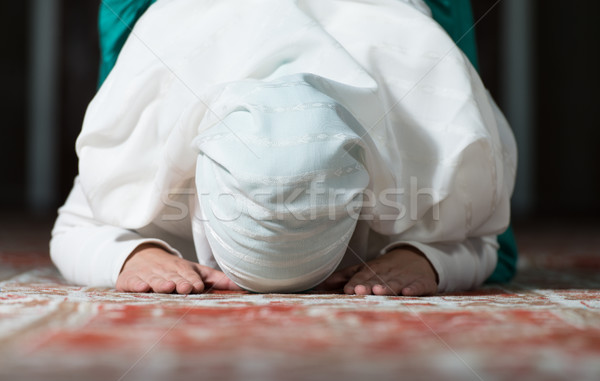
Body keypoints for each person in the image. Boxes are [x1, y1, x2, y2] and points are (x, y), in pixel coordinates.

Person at [50, 0, 517, 296]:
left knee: (483, 202)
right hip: (179, 24)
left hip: (393, 27)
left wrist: (423, 259)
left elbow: (488, 243)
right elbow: (73, 226)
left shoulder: (429, 136)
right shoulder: (147, 135)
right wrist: (132, 256)